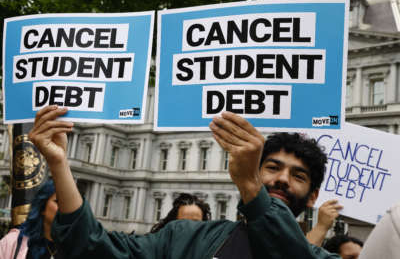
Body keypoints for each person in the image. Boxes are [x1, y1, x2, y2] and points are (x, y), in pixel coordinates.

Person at [28, 106, 340, 258]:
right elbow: (95, 250)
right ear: (254, 171)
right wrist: (59, 164)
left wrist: (252, 186)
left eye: (298, 176)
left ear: (312, 197)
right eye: (272, 167)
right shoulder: (185, 238)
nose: (282, 179)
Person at [0, 179, 63, 259]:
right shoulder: (13, 241)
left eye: (67, 204)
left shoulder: (75, 249)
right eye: (57, 201)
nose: (63, 207)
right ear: (43, 206)